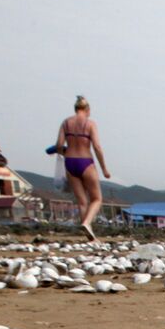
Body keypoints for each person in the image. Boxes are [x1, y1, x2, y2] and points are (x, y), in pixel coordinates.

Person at [56, 96, 111, 241]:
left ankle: (90, 237)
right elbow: (97, 147)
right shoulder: (90, 123)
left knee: (82, 201)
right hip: (85, 161)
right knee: (97, 198)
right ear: (87, 109)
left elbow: (59, 145)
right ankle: (87, 222)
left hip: (70, 162)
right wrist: (104, 169)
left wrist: (65, 152)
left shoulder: (66, 123)